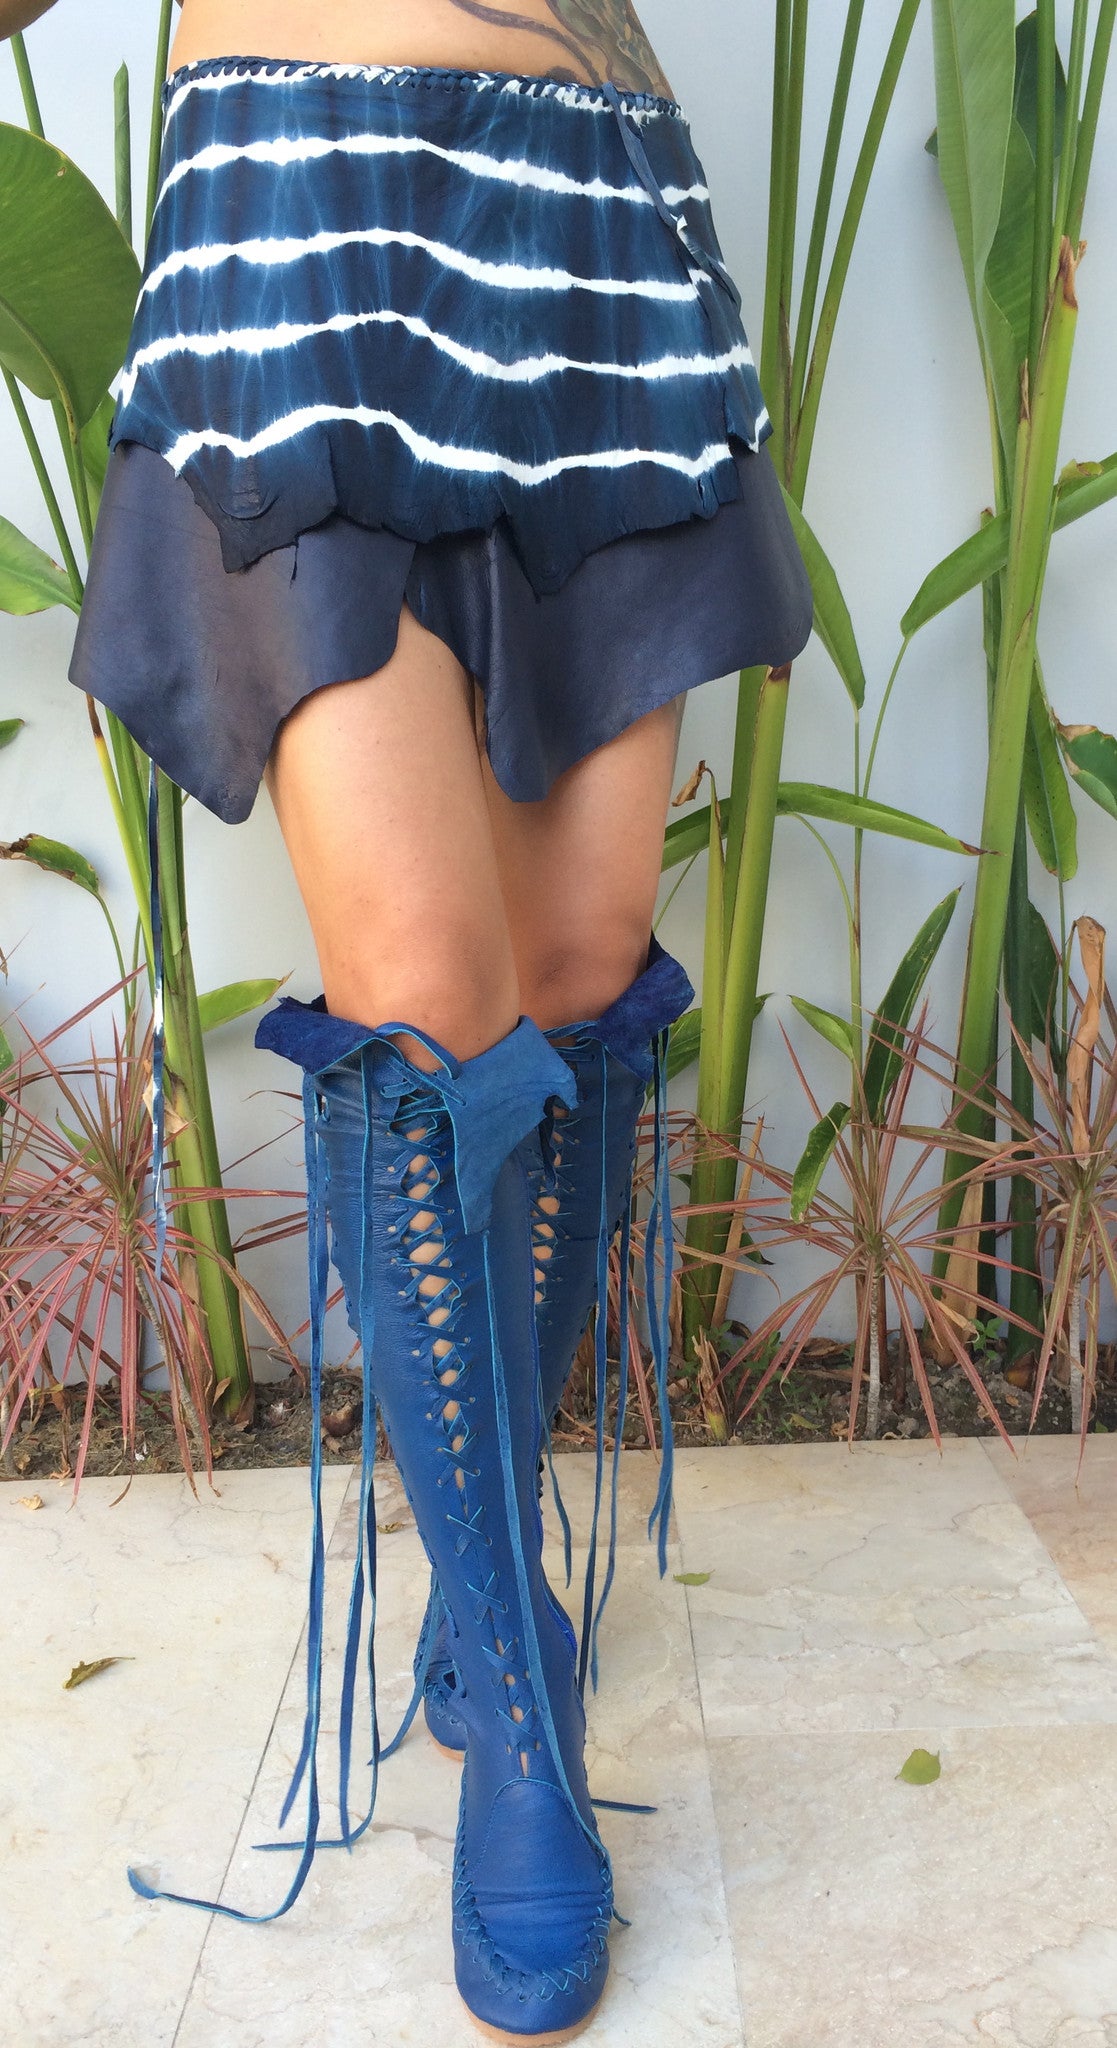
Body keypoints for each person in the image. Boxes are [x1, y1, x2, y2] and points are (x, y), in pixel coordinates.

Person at [5, 1, 812, 2038]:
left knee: (578, 969)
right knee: (426, 996)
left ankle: (479, 1585)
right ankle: (523, 1728)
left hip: (592, 221)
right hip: (303, 213)